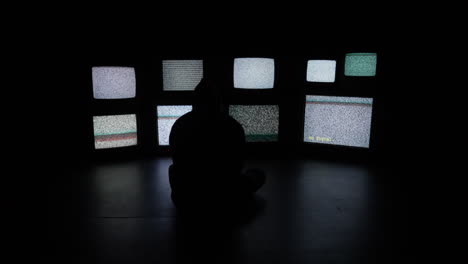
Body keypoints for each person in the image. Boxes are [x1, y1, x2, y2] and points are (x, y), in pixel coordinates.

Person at [168, 78, 265, 212]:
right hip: (227, 197)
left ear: (194, 101)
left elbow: (176, 162)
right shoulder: (233, 125)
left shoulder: (179, 124)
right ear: (219, 101)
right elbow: (238, 165)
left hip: (185, 197)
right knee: (258, 175)